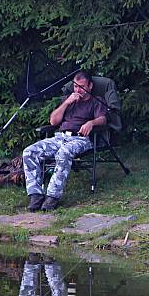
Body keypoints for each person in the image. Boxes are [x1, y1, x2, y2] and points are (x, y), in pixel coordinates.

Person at [22, 71, 108, 211]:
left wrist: (91, 123)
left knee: (64, 152)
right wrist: (67, 102)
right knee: (29, 152)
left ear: (90, 85)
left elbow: (103, 119)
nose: (78, 90)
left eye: (81, 86)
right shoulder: (69, 101)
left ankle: (52, 197)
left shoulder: (96, 101)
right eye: (75, 86)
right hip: (60, 137)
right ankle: (35, 195)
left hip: (81, 138)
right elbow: (53, 120)